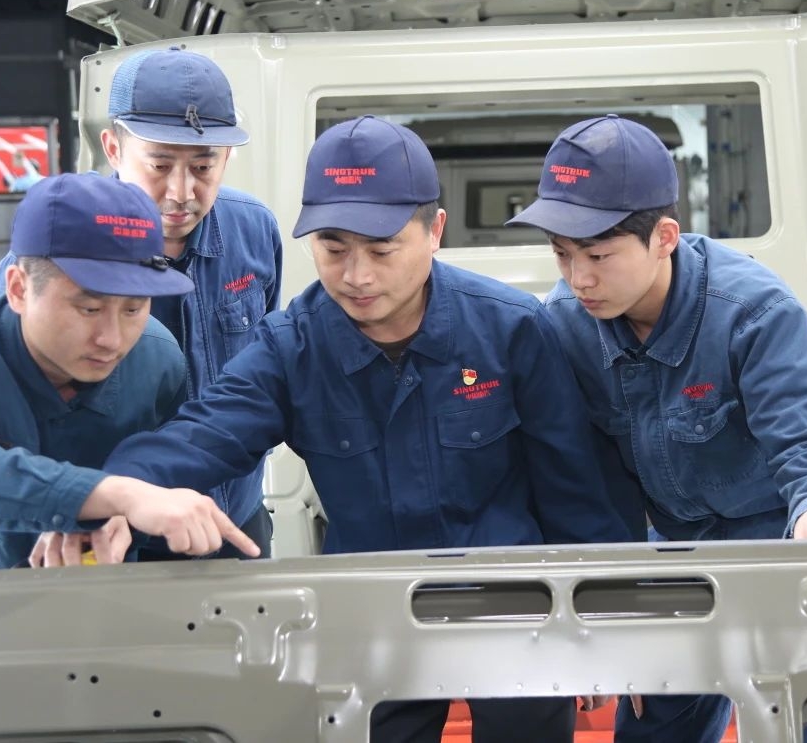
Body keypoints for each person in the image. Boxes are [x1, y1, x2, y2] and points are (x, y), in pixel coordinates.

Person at [83, 115, 630, 743]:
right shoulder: (293, 347)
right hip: (374, 616)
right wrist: (113, 493)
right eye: (334, 248)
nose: (356, 275)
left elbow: (573, 486)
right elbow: (203, 433)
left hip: (514, 608)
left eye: (381, 249)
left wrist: (601, 617)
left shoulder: (510, 329)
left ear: (435, 232)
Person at [507, 114, 807, 743]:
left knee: (791, 720)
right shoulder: (564, 324)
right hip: (668, 550)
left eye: (598, 255)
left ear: (664, 238)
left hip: (775, 545)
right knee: (654, 725)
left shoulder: (752, 313)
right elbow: (579, 480)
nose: (578, 278)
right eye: (562, 254)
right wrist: (598, 605)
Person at [0, 174, 259, 581]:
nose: (112, 340)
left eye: (133, 309)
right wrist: (117, 495)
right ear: (19, 289)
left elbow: (160, 469)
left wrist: (129, 518)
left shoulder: (157, 359)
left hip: (76, 585)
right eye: (89, 309)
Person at [0, 47, 283, 559]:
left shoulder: (254, 232)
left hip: (230, 518)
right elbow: (9, 408)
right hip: (107, 530)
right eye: (159, 164)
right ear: (113, 148)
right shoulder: (53, 249)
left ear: (226, 156)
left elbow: (264, 371)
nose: (182, 191)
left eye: (203, 166)